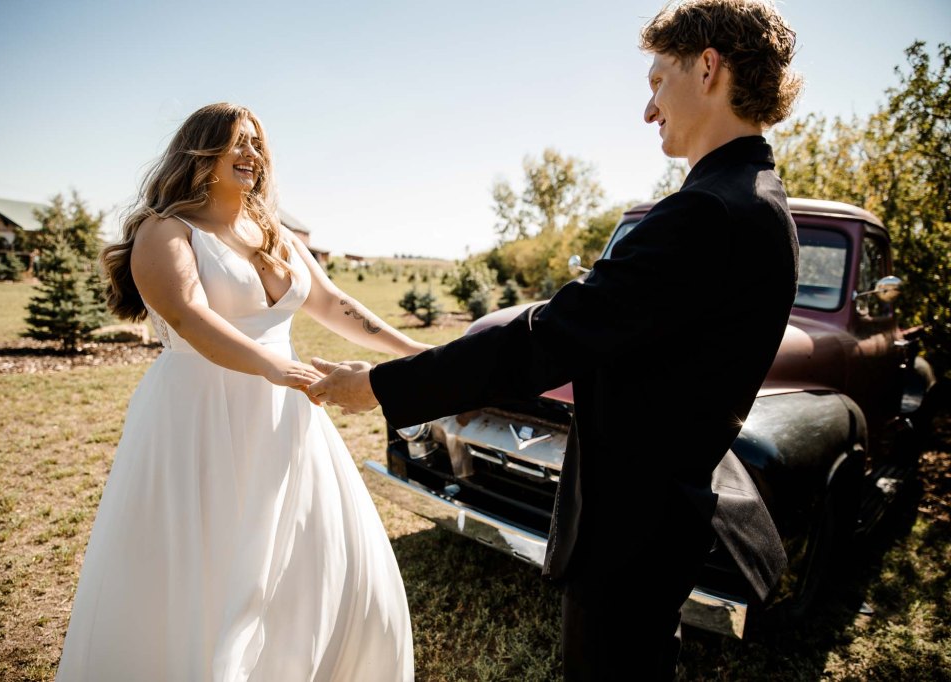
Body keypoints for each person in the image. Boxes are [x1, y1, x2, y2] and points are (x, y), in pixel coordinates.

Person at [309, 1, 803, 678]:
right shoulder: (762, 200)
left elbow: (545, 341)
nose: (649, 110)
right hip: (664, 518)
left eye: (658, 81)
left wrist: (377, 386)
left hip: (630, 528)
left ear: (709, 67)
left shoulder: (708, 212)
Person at [55, 103, 426, 681]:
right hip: (200, 415)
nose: (251, 154)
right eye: (236, 142)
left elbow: (336, 306)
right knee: (209, 568)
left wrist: (422, 357)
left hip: (288, 416)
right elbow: (191, 317)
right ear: (199, 152)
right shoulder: (166, 230)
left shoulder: (276, 234)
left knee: (321, 561)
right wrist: (276, 369)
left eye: (257, 143)